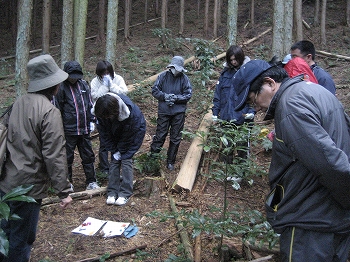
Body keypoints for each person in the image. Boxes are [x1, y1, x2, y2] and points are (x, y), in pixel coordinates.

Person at [232, 59, 350, 261]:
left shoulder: (290, 106)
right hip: (331, 217)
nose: (256, 108)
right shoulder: (317, 91)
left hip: (310, 221)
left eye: (253, 100)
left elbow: (329, 162)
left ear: (269, 83)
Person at [0, 54, 73, 262]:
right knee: (22, 240)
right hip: (28, 188)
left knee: (5, 233)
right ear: (54, 85)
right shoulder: (49, 111)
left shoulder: (18, 103)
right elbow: (55, 155)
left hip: (6, 182)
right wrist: (63, 191)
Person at [93, 93, 146, 205]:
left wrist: (121, 151)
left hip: (133, 134)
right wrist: (113, 149)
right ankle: (112, 191)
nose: (105, 118)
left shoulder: (131, 113)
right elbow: (104, 134)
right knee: (114, 159)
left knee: (126, 159)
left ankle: (125, 192)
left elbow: (128, 137)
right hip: (115, 132)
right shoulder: (102, 110)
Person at [55, 61, 100, 190]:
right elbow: (57, 109)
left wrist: (92, 120)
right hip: (68, 130)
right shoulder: (61, 88)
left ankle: (91, 181)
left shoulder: (84, 85)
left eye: (76, 75)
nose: (74, 78)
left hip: (84, 128)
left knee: (88, 156)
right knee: (67, 157)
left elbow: (90, 104)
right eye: (71, 75)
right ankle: (67, 183)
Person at [212, 45, 255, 164]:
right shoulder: (225, 74)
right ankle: (228, 172)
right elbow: (218, 95)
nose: (233, 62)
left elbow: (254, 96)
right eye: (231, 60)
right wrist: (215, 113)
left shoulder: (248, 73)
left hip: (243, 118)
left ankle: (240, 174)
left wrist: (251, 112)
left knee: (242, 148)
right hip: (226, 117)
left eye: (235, 59)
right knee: (227, 146)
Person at [150, 56, 192, 171]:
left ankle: (170, 161)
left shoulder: (184, 79)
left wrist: (176, 98)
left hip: (178, 112)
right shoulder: (162, 76)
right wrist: (164, 96)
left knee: (175, 137)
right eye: (174, 68)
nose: (176, 70)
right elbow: (155, 90)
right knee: (160, 135)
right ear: (171, 67)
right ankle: (152, 159)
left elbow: (188, 94)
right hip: (164, 111)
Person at [90, 60, 128, 175]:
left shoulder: (118, 79)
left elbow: (123, 92)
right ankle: (104, 168)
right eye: (103, 72)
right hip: (103, 114)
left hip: (117, 113)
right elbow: (94, 96)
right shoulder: (95, 81)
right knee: (104, 141)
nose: (105, 74)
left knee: (117, 139)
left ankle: (115, 166)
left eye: (107, 72)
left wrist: (111, 85)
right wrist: (104, 87)